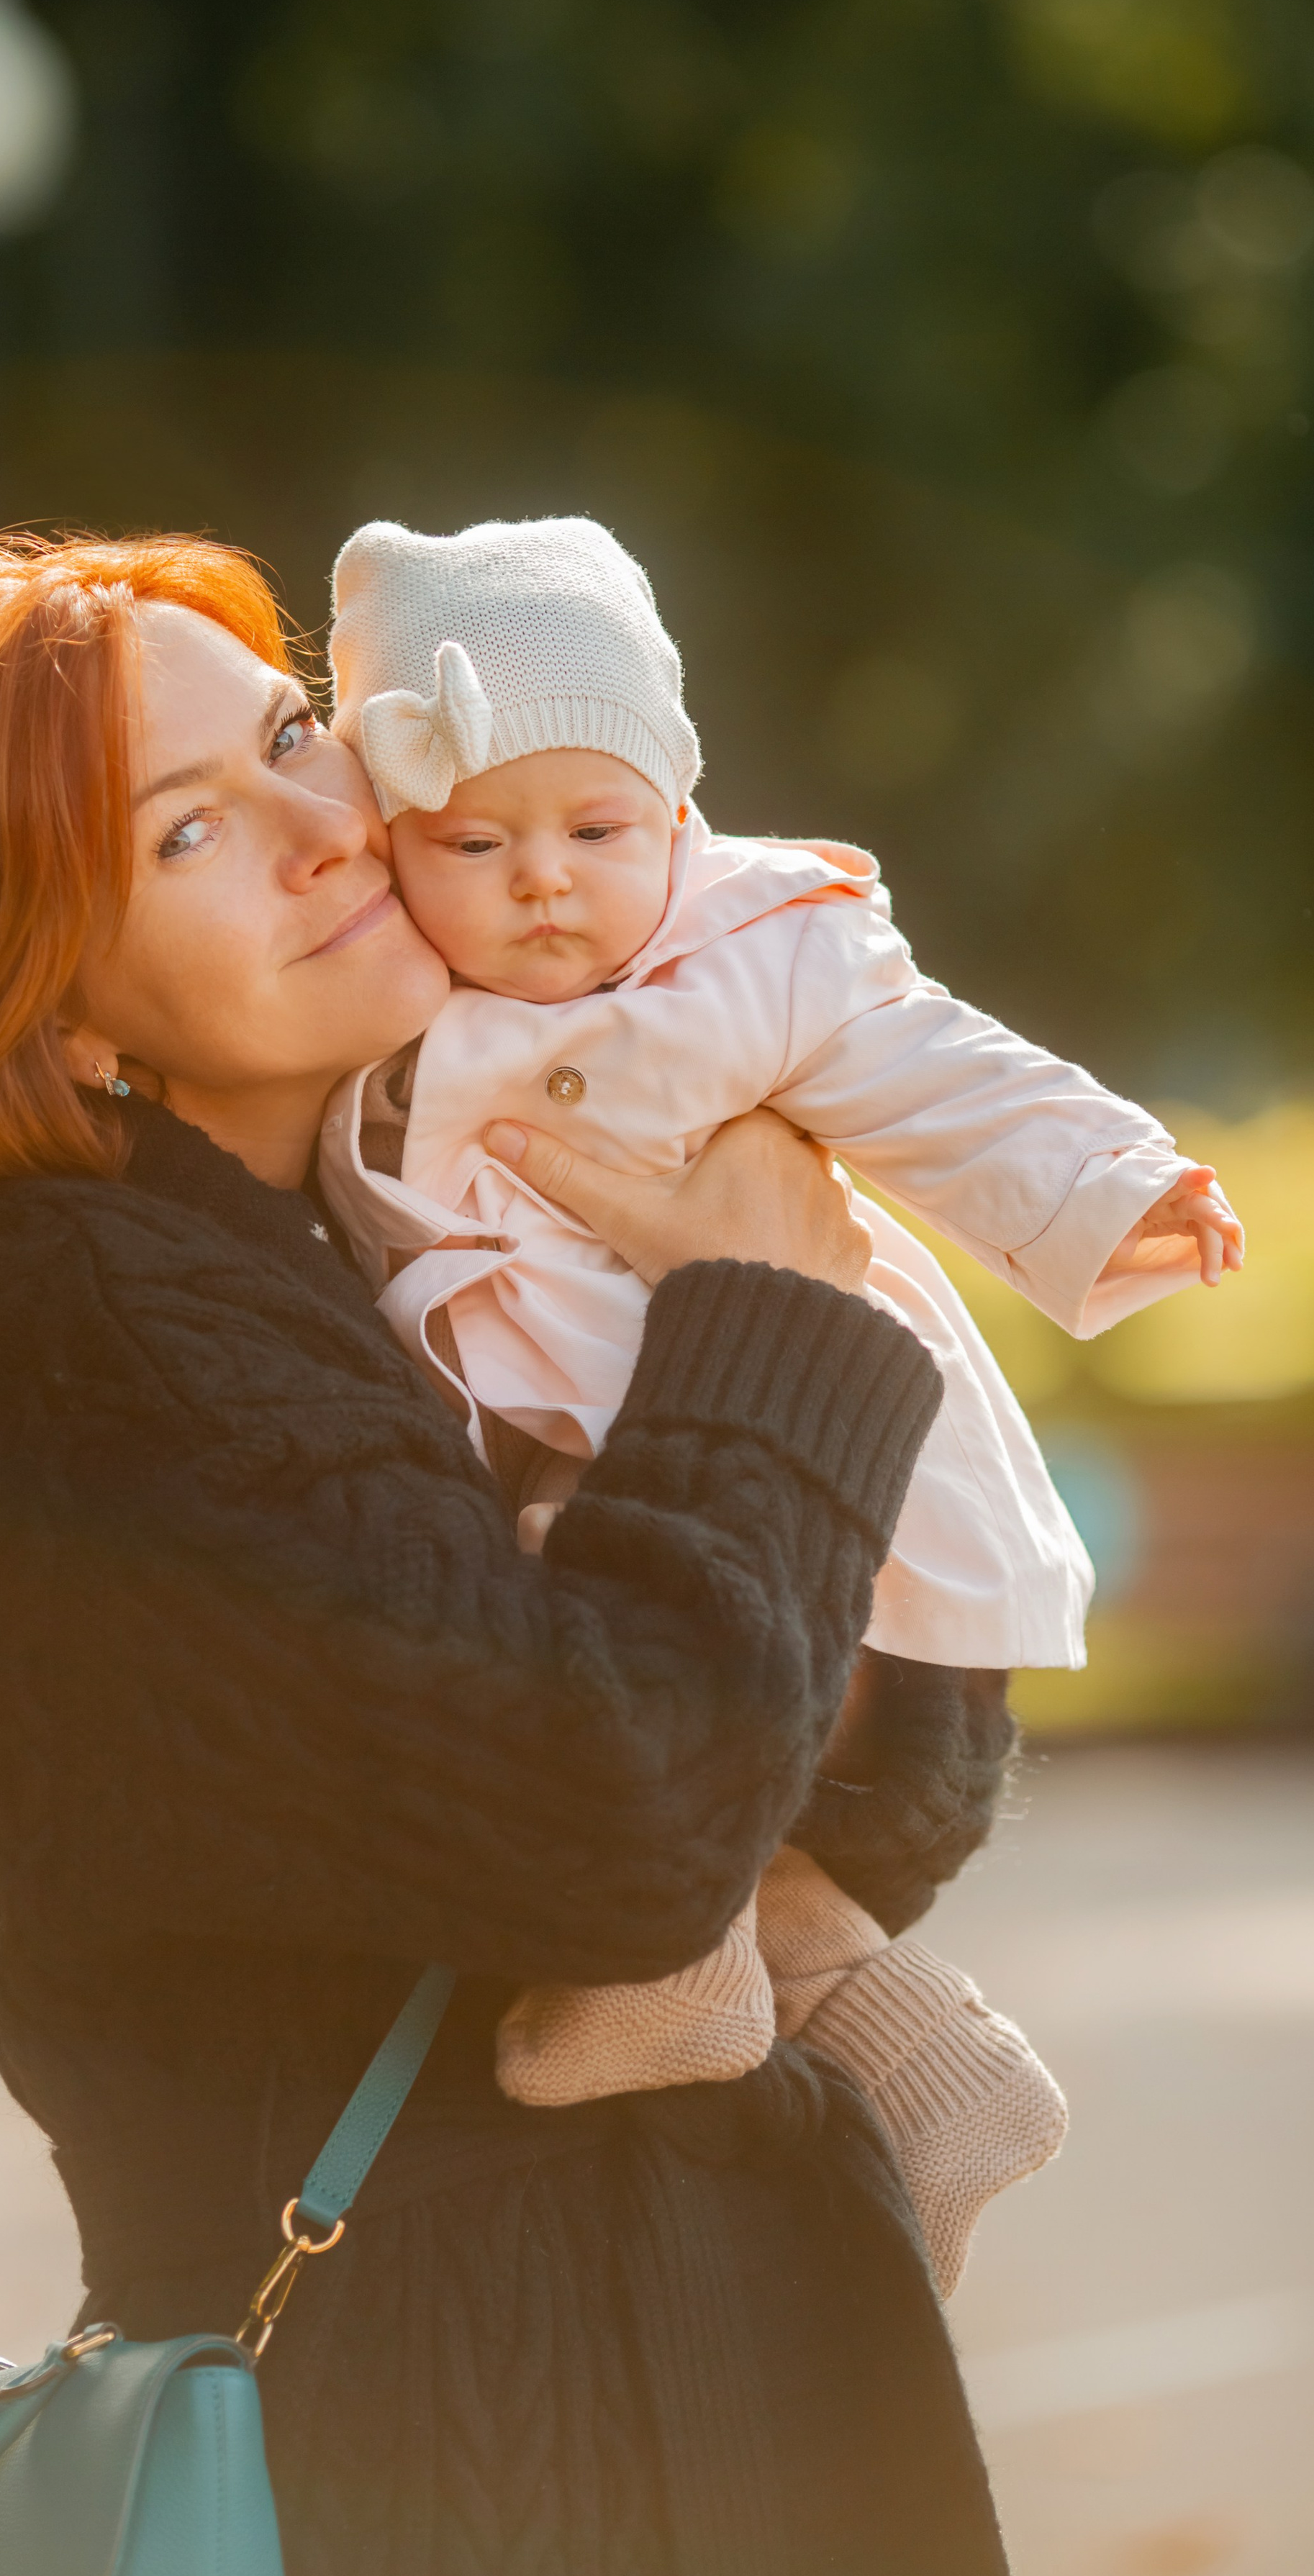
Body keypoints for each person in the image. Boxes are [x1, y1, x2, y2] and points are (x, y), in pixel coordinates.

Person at [0, 529, 1018, 2576]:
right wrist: (765, 1327)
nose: (327, 828)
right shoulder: (79, 1322)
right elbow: (620, 1820)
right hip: (451, 2448)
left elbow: (869, 1788)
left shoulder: (405, 1239)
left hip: (684, 2395)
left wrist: (755, 1300)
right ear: (36, 997)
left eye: (291, 738)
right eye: (188, 829)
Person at [315, 517, 1243, 2251]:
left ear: (678, 813)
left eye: (596, 831)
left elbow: (946, 1075)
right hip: (621, 1477)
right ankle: (919, 2069)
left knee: (583, 1598)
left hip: (841, 1519)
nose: (542, 882)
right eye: (473, 840)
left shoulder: (767, 954)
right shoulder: (377, 1000)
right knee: (553, 1603)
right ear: (388, 843)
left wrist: (1111, 1180)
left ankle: (645, 1972)